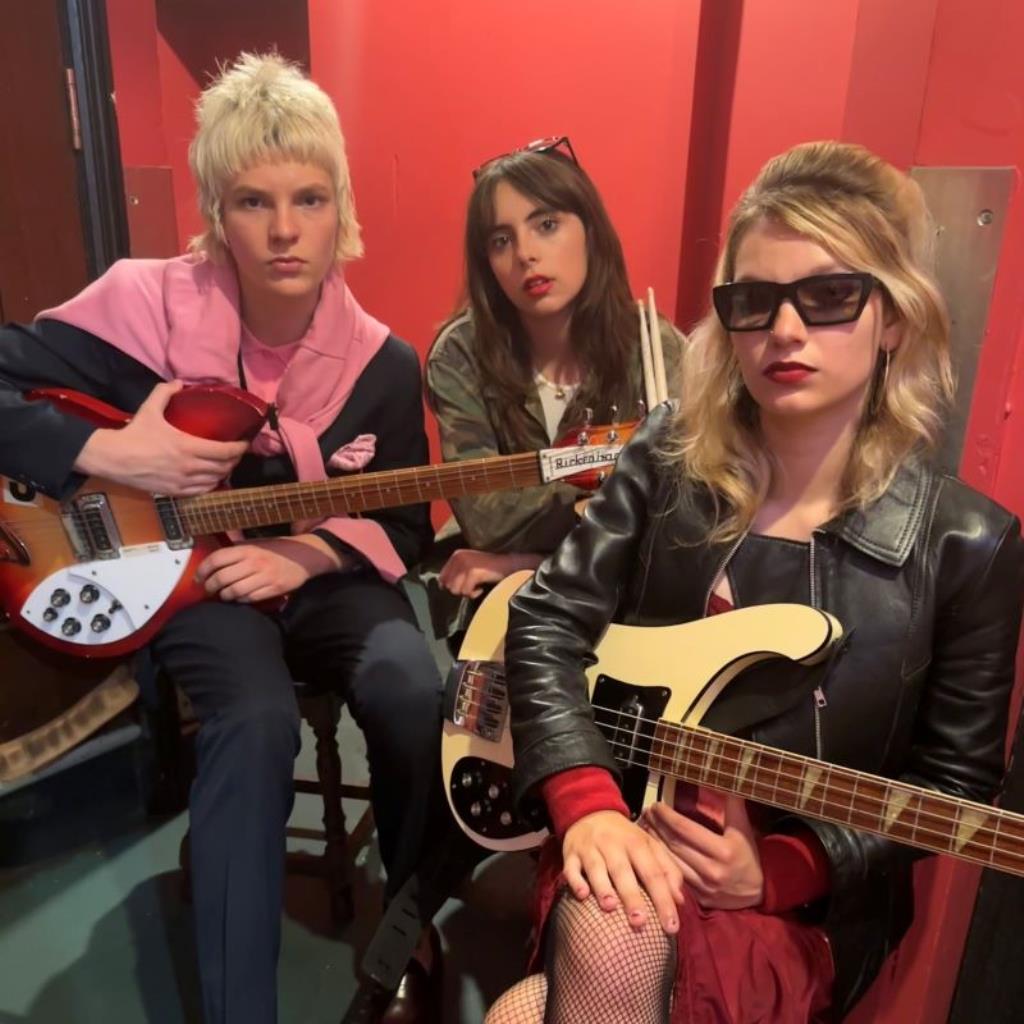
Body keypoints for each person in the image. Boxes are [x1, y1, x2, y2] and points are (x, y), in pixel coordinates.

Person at [486, 141, 1024, 1023]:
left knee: (529, 1009)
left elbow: (953, 785)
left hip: (798, 907)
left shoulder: (969, 544)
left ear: (894, 317)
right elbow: (544, 620)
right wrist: (586, 805)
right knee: (616, 927)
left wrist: (781, 870)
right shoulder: (666, 458)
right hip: (623, 821)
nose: (785, 331)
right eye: (753, 302)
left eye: (829, 296)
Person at [0, 53, 443, 1024]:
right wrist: (112, 449)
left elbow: (406, 524)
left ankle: (413, 937)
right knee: (252, 720)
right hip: (194, 582)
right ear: (215, 212)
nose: (284, 231)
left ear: (340, 207)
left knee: (414, 687)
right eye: (253, 202)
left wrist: (304, 552)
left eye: (309, 199)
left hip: (324, 575)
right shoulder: (139, 307)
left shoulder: (385, 361)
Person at [424, 137, 683, 632]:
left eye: (546, 225)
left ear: (590, 230)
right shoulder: (460, 354)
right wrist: (610, 495)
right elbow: (486, 518)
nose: (525, 254)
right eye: (501, 240)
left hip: (622, 591)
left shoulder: (657, 347)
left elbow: (670, 524)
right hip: (496, 594)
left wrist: (522, 562)